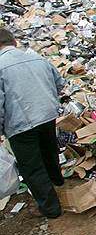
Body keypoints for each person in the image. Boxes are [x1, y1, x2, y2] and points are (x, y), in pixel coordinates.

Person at [0, 29, 65, 218]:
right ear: (15, 41)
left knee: (32, 167)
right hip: (47, 115)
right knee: (49, 151)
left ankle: (51, 208)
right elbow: (60, 84)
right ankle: (57, 182)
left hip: (20, 124)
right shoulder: (38, 59)